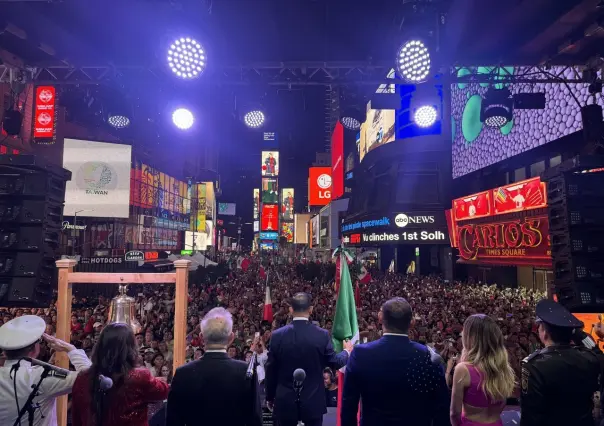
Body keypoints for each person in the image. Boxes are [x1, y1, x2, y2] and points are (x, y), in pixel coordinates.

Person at [340, 297, 449, 426]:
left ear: (380, 319)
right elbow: (441, 410)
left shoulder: (360, 354)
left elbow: (349, 407)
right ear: (412, 323)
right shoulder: (429, 357)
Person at [265, 292, 352, 426]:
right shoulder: (322, 335)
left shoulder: (277, 336)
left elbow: (270, 370)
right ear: (311, 309)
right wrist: (347, 351)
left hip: (285, 404)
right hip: (313, 405)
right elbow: (334, 362)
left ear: (290, 310)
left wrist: (270, 397)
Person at [166, 307, 262, 426]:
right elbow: (255, 418)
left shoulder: (183, 373)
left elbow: (173, 420)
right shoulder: (246, 370)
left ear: (201, 337)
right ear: (231, 337)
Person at [520, 300, 601, 426]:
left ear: (544, 333)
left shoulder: (534, 365)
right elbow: (599, 355)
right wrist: (580, 335)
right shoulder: (589, 357)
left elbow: (531, 415)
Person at [71, 323, 170, 426]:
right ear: (130, 348)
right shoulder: (139, 377)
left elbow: (76, 419)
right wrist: (159, 381)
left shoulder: (82, 379)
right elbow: (164, 391)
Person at [0, 315, 91, 426]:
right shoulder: (42, 376)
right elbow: (90, 379)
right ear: (34, 350)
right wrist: (71, 349)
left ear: (4, 352)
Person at [450, 314, 515, 426]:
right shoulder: (502, 366)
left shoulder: (463, 369)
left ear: (469, 338)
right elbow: (502, 404)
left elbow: (454, 413)